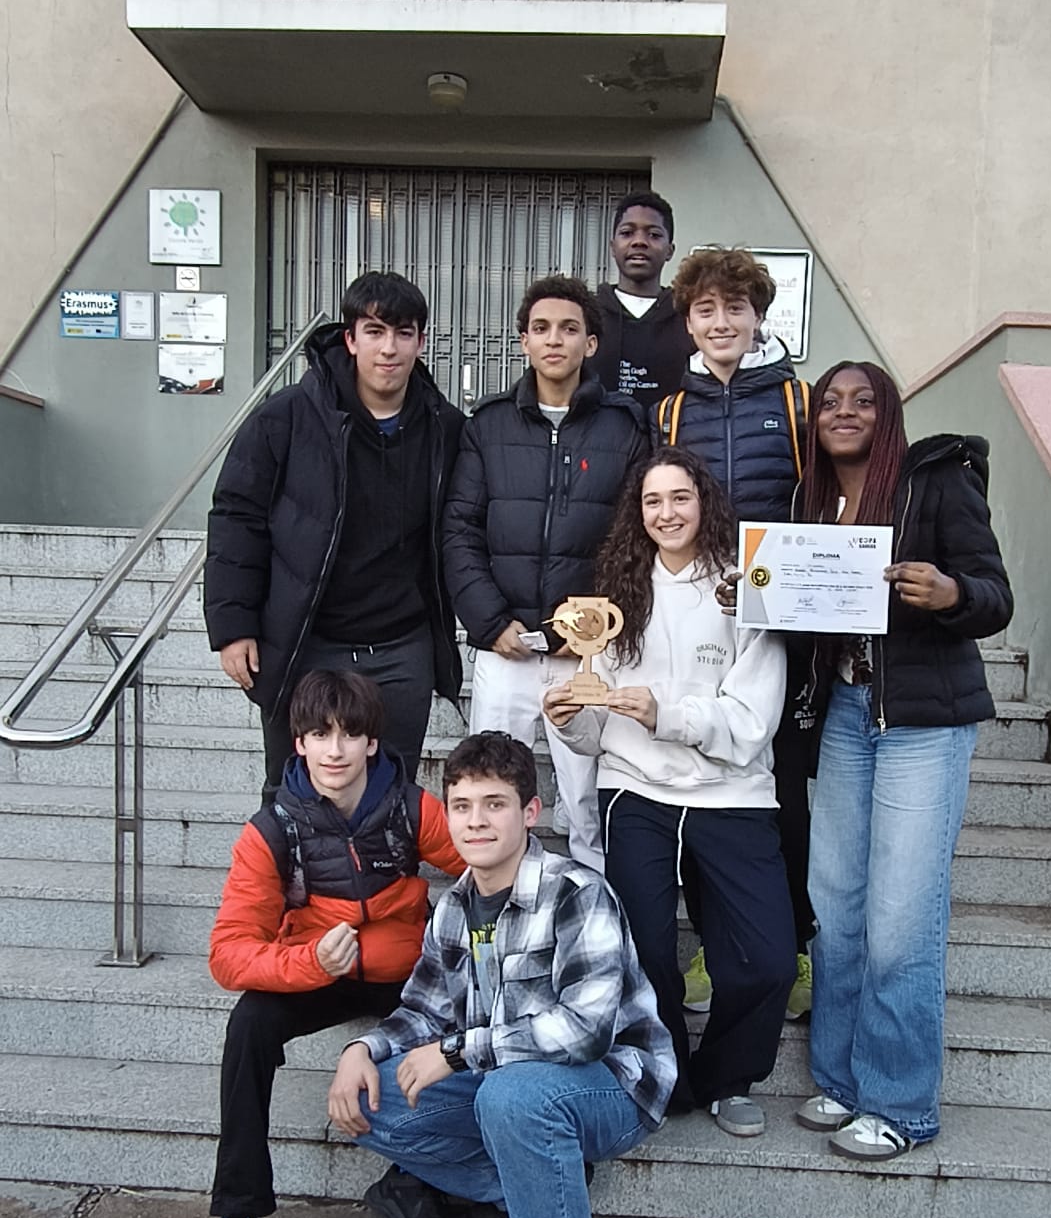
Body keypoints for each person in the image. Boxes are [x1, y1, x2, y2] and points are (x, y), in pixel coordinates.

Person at [327, 731, 675, 1218]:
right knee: (369, 1098)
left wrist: (459, 1052)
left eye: (495, 804)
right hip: (507, 1088)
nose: (477, 821)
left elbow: (584, 1032)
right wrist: (360, 1051)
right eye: (462, 806)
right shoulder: (454, 907)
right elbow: (424, 1011)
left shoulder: (577, 894)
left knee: (512, 1099)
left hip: (612, 1087)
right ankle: (535, 1178)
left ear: (530, 812)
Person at [175, 670, 465, 1218]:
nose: (334, 749)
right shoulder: (271, 831)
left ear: (372, 742)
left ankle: (415, 1176)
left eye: (350, 734)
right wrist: (308, 962)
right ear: (298, 743)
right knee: (249, 1025)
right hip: (316, 969)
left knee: (469, 1000)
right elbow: (228, 954)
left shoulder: (411, 807)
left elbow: (486, 859)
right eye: (318, 734)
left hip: (401, 971)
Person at [794, 361, 1012, 1161]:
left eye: (863, 401)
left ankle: (900, 1102)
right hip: (846, 715)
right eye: (830, 401)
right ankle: (840, 1079)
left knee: (900, 919)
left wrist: (952, 594)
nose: (844, 412)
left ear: (888, 414)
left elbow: (995, 594)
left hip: (922, 722)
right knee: (836, 907)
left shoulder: (937, 482)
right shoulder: (809, 498)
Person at [545, 446, 795, 1139]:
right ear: (638, 512)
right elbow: (598, 728)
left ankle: (728, 1078)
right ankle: (668, 1077)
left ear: (704, 502)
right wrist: (567, 718)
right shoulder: (616, 594)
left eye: (680, 497)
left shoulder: (742, 588)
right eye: (652, 501)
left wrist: (669, 715)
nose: (667, 513)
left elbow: (753, 722)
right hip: (636, 791)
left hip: (734, 794)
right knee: (645, 952)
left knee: (768, 959)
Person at [204, 270, 464, 796]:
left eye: (404, 333)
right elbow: (237, 516)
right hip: (307, 641)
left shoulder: (446, 428)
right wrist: (233, 625)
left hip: (401, 645)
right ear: (350, 338)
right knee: (293, 794)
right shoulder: (286, 418)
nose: (389, 348)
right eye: (374, 331)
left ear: (420, 342)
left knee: (390, 795)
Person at [650, 245, 815, 1016]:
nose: (721, 322)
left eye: (735, 308)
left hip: (780, 620)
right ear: (688, 322)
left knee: (782, 789)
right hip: (699, 614)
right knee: (703, 779)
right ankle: (716, 948)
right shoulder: (669, 411)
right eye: (706, 310)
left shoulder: (799, 401)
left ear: (758, 318)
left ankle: (795, 943)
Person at [442, 274, 647, 870]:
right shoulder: (488, 425)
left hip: (583, 655)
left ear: (590, 343)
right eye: (541, 328)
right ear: (523, 341)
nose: (554, 339)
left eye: (569, 328)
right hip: (506, 647)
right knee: (490, 788)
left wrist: (594, 626)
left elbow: (634, 539)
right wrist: (489, 622)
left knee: (584, 798)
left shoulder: (625, 427)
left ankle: (594, 907)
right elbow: (459, 530)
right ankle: (491, 899)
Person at [592, 189, 693, 410]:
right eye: (627, 233)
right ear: (612, 247)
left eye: (654, 235)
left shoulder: (689, 318)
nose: (639, 242)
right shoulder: (587, 316)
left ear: (670, 250)